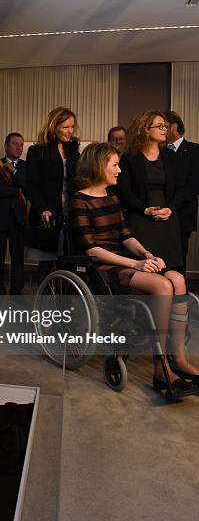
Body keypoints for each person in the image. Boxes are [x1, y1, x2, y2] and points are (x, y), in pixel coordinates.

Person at [70, 142, 199, 392]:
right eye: (115, 165)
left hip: (124, 259)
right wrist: (137, 263)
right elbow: (91, 249)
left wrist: (148, 254)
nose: (119, 170)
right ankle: (161, 367)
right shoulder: (80, 201)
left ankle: (179, 359)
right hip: (102, 266)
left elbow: (126, 236)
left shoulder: (113, 197)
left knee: (178, 279)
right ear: (98, 166)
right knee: (163, 285)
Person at [117, 110, 185, 272]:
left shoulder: (170, 156)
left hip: (167, 220)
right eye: (160, 126)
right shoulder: (130, 157)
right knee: (145, 269)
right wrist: (144, 209)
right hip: (140, 219)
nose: (164, 130)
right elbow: (124, 191)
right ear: (145, 129)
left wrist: (170, 208)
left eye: (166, 126)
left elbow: (182, 189)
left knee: (169, 270)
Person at [26, 107, 80, 285]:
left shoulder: (74, 151)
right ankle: (42, 309)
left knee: (67, 265)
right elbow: (31, 186)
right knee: (45, 266)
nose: (70, 131)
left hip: (70, 216)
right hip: (48, 217)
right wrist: (43, 209)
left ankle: (64, 309)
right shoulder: (37, 151)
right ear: (54, 126)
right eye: (65, 127)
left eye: (72, 126)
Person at [0, 133, 27, 295]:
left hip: (18, 218)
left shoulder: (25, 166)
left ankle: (17, 289)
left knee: (18, 256)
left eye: (21, 145)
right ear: (6, 146)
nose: (18, 148)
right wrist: (17, 189)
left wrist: (15, 174)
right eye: (15, 144)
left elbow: (27, 186)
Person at [165, 110, 199, 275]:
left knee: (180, 256)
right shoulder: (159, 151)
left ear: (174, 126)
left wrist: (173, 205)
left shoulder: (194, 150)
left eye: (165, 126)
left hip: (183, 213)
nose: (162, 131)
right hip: (162, 213)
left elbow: (194, 185)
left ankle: (179, 295)